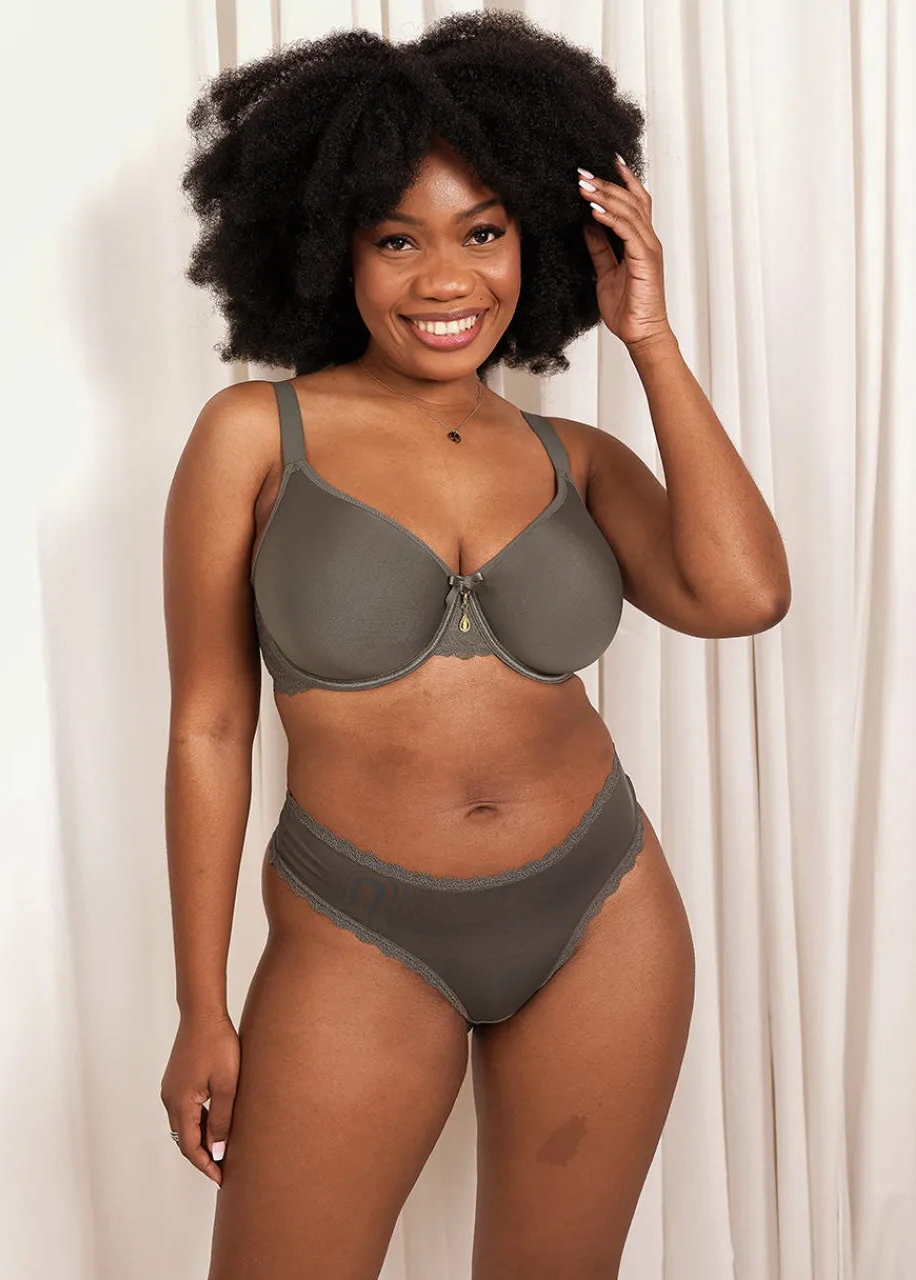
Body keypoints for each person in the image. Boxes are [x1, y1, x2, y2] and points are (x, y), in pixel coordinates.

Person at [160, 11, 791, 1278]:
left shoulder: (574, 458)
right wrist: (200, 1002)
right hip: (355, 926)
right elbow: (211, 727)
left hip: (602, 909)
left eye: (484, 232)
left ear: (535, 244)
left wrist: (649, 338)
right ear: (330, 247)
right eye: (398, 239)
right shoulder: (254, 435)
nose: (446, 281)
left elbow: (743, 594)